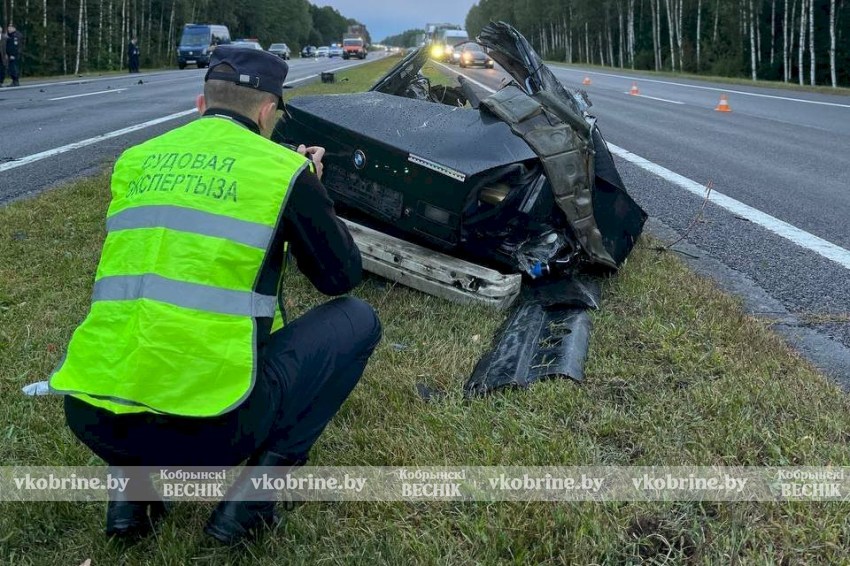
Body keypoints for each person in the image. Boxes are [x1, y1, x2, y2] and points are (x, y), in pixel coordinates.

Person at [50, 46, 381, 544]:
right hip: (211, 428)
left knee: (142, 329)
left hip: (93, 414)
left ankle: (130, 503)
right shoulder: (280, 172)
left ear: (200, 104)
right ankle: (248, 508)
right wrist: (312, 189)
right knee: (358, 320)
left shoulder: (136, 159)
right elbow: (340, 278)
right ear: (269, 111)